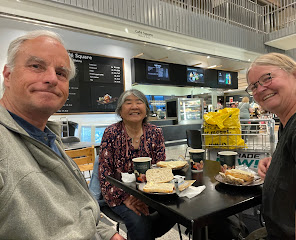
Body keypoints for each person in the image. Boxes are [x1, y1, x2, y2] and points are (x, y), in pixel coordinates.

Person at [0, 30, 124, 240]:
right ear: (8, 75)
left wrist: (110, 234)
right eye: (36, 66)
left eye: (61, 73)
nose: (51, 79)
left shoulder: (49, 138)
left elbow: (81, 205)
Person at [245, 52, 296, 239]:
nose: (260, 89)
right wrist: (278, 164)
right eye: (253, 86)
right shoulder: (289, 121)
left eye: (267, 78)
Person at [99, 89, 175, 240]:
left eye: (139, 102)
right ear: (120, 111)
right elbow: (105, 174)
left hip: (151, 193)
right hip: (117, 193)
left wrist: (147, 197)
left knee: (175, 212)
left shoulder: (155, 132)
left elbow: (160, 168)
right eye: (128, 103)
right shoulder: (111, 132)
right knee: (139, 220)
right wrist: (126, 198)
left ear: (146, 110)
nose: (134, 106)